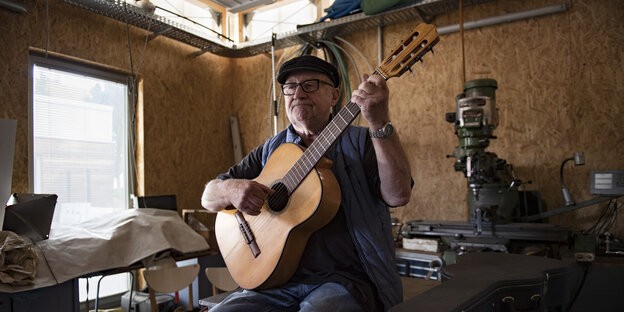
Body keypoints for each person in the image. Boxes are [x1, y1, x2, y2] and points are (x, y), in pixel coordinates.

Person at [201, 55, 412, 312]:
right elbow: (208, 197)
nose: (298, 93)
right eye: (290, 86)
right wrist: (230, 189)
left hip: (345, 283)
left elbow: (399, 194)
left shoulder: (362, 142)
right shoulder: (270, 150)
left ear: (334, 96)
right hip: (272, 284)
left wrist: (379, 122)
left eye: (310, 84)